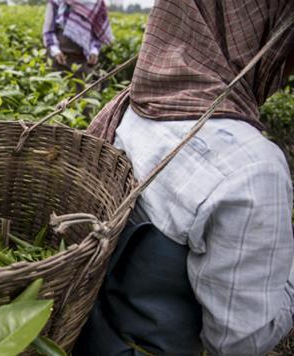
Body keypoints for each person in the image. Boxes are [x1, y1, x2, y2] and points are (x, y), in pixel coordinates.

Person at [73, 1, 294, 355]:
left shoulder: (130, 108)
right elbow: (242, 341)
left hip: (89, 340)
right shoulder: (251, 166)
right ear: (263, 34)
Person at [42, 0, 113, 77]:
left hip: (82, 62)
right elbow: (48, 31)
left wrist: (94, 51)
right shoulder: (57, 1)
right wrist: (55, 51)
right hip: (58, 59)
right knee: (56, 86)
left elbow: (97, 34)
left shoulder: (96, 3)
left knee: (81, 88)